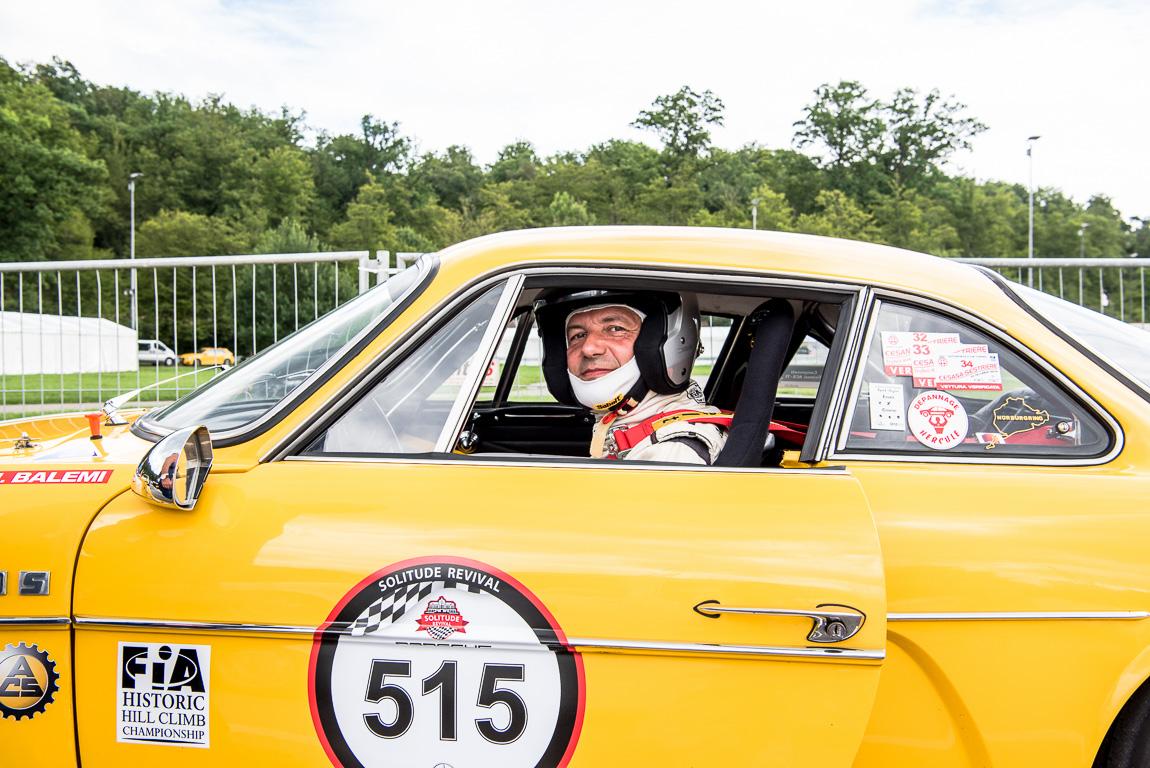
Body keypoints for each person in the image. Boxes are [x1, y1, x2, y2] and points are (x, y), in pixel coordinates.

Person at [535, 290, 729, 464]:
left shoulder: (672, 453)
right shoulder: (635, 427)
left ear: (664, 345)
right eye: (578, 335)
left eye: (616, 329)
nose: (589, 348)